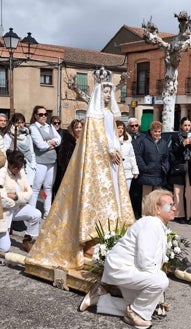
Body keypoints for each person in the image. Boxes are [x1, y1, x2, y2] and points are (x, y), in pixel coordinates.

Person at [26, 67, 134, 270]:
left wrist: (116, 149)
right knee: (96, 200)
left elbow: (113, 137)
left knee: (113, 200)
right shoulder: (93, 115)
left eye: (110, 91)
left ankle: (108, 238)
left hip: (111, 164)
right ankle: (91, 241)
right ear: (98, 92)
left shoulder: (109, 112)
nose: (108, 94)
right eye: (105, 90)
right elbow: (95, 139)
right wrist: (108, 151)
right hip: (98, 164)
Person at [79, 189, 174, 329]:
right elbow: (145, 260)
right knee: (160, 281)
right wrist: (156, 279)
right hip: (123, 268)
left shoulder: (155, 224)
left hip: (128, 268)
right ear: (157, 209)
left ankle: (98, 299)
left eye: (173, 204)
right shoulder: (151, 224)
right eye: (169, 205)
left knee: (146, 303)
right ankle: (135, 314)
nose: (174, 208)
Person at [1, 150, 41, 253]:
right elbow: (2, 199)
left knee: (36, 214)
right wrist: (19, 198)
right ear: (10, 164)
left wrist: (16, 197)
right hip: (4, 211)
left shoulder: (21, 171)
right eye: (16, 167)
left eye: (20, 167)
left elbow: (29, 193)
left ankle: (28, 241)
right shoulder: (2, 173)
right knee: (5, 248)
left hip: (17, 208)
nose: (18, 170)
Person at [28, 106, 61, 219]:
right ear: (36, 115)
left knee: (48, 187)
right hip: (40, 162)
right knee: (36, 188)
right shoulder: (33, 128)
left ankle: (47, 211)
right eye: (41, 114)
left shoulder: (50, 126)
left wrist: (50, 142)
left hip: (52, 161)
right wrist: (51, 144)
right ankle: (32, 212)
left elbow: (59, 139)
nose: (43, 116)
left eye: (45, 114)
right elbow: (40, 145)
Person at [168, 117, 191, 224]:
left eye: (189, 125)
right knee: (178, 192)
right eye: (185, 125)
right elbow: (172, 152)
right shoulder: (176, 137)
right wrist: (183, 144)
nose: (187, 128)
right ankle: (179, 215)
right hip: (179, 166)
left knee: (189, 193)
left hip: (190, 166)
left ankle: (190, 215)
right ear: (181, 126)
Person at [136, 121, 170, 198]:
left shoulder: (163, 143)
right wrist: (144, 167)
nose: (157, 133)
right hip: (147, 174)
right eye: (155, 131)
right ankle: (145, 211)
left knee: (157, 199)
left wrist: (165, 167)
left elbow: (166, 157)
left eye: (159, 132)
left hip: (159, 174)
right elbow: (139, 156)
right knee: (146, 198)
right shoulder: (144, 141)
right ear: (151, 131)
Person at [4, 113, 36, 186]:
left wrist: (33, 165)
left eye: (22, 122)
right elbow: (5, 150)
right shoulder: (9, 135)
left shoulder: (27, 135)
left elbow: (31, 151)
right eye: (18, 122)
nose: (20, 125)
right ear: (13, 123)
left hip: (28, 164)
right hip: (15, 165)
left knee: (27, 188)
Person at [127, 117, 145, 218]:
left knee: (139, 192)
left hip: (141, 168)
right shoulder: (126, 138)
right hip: (129, 169)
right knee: (130, 192)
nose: (134, 128)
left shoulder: (143, 137)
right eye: (132, 126)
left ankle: (138, 212)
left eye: (136, 125)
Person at [57, 119, 84, 184]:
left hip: (81, 168)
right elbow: (62, 157)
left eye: (80, 127)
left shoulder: (84, 139)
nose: (79, 130)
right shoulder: (68, 140)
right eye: (76, 127)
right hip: (70, 169)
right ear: (72, 129)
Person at [116, 120, 139, 190]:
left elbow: (132, 157)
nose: (120, 130)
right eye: (118, 128)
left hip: (127, 172)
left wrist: (135, 170)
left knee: (126, 193)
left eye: (122, 128)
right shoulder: (111, 142)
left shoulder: (128, 142)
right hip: (115, 171)